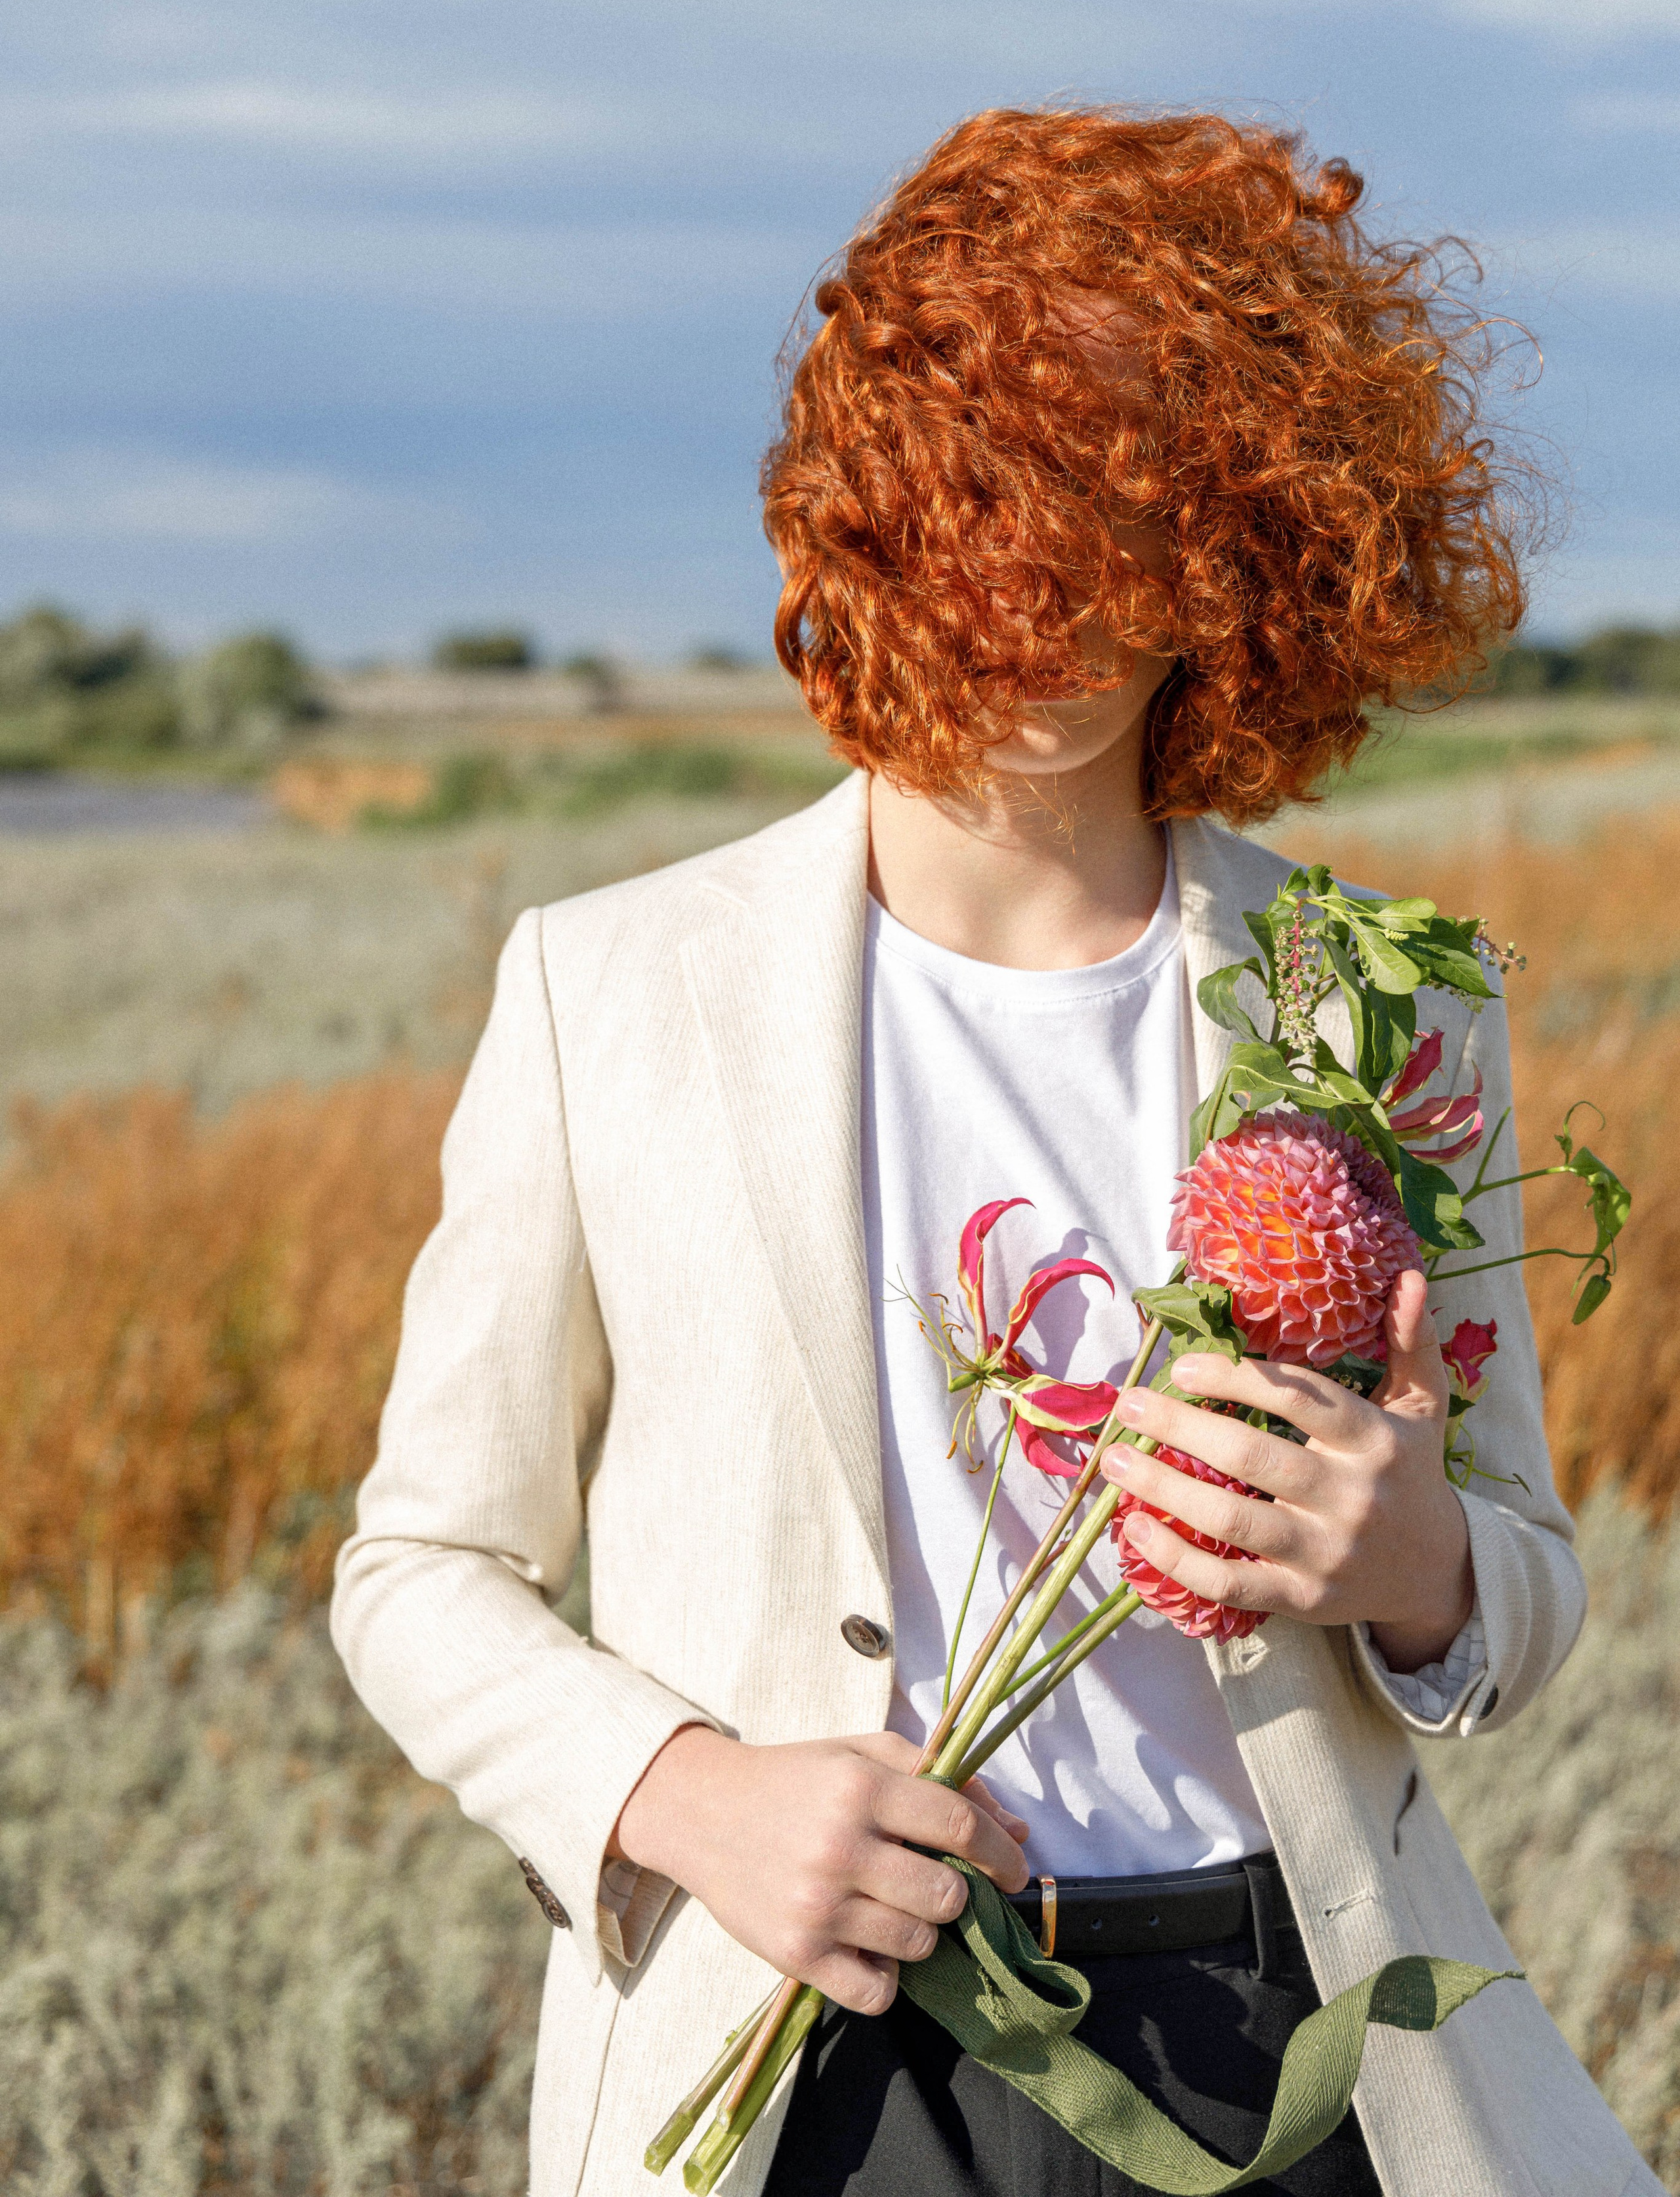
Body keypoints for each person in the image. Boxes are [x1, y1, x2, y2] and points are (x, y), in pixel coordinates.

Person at [332, 109, 1658, 2197]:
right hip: (809, 2062)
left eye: (1125, 507)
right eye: (984, 494)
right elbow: (418, 1573)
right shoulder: (609, 993)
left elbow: (1523, 1583)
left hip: (1292, 2049)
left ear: (1242, 541)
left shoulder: (1376, 999)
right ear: (874, 509)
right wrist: (680, 1791)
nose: (1044, 580)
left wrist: (1411, 1574)